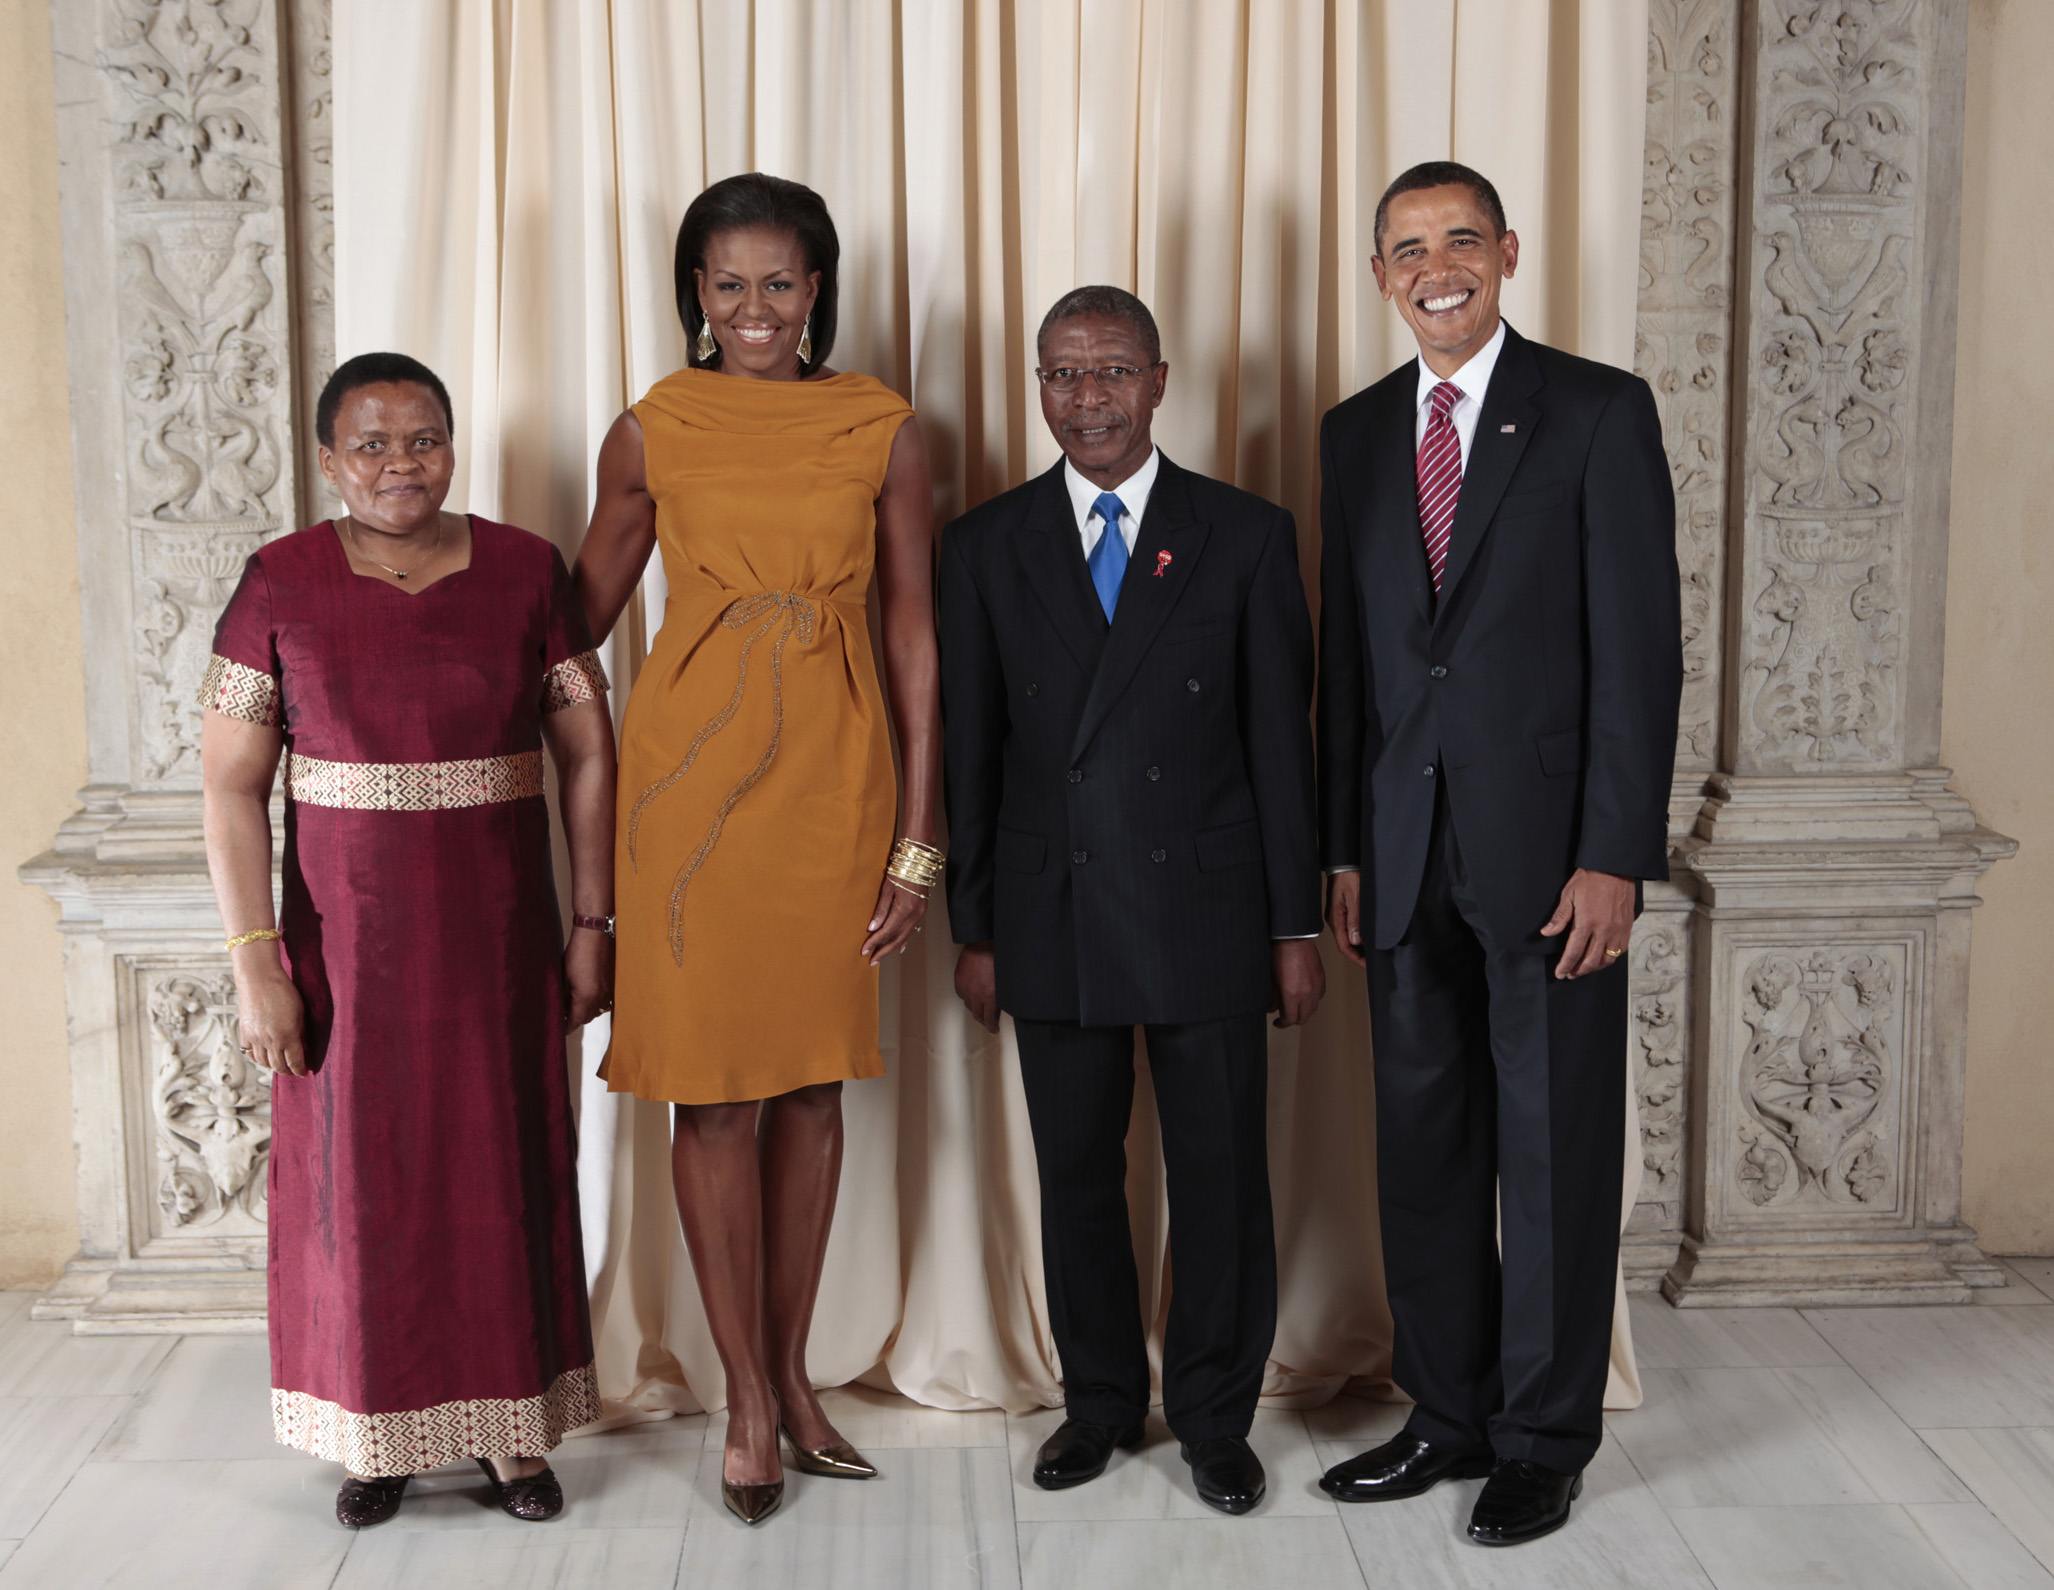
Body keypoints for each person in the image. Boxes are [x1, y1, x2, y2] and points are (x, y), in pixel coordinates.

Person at [1314, 162, 1681, 1546]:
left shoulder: (1593, 411)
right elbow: (1351, 662)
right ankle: (1447, 1413)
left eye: (1459, 238)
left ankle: (1542, 1436)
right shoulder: (1353, 434)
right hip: (1400, 858)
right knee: (1421, 1151)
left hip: (1551, 864)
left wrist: (1613, 854)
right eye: (1407, 247)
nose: (1436, 266)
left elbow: (1637, 656)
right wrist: (1345, 849)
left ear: (1506, 252)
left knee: (1551, 1151)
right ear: (1380, 276)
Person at [573, 173, 938, 1527]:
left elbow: (914, 633)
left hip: (835, 785)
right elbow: (574, 611)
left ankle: (791, 1374)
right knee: (713, 1095)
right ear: (694, 296)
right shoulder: (651, 428)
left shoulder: (884, 427)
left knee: (810, 1092)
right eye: (725, 284)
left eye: (778, 282)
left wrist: (918, 835)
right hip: (690, 789)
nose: (754, 309)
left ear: (818, 287)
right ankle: (740, 1391)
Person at [199, 352, 615, 1529]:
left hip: (497, 953)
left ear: (452, 445)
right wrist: (254, 966)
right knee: (362, 1190)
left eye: (422, 438)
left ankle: (512, 1432)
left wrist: (594, 921)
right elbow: (230, 790)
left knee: (503, 1174)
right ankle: (370, 1433)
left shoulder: (529, 571)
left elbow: (590, 752)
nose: (400, 464)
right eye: (371, 445)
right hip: (342, 965)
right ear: (329, 461)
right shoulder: (277, 584)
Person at [939, 286, 1324, 1517]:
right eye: (1062, 374)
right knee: (1075, 1177)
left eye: (1110, 372)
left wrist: (1292, 929)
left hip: (1209, 911)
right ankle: (1100, 1404)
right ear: (1036, 386)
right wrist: (977, 929)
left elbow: (1283, 748)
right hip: (1052, 913)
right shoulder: (984, 545)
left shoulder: (1245, 533)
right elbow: (972, 759)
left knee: (1219, 1182)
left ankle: (1214, 1416)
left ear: (1160, 381)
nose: (1086, 397)